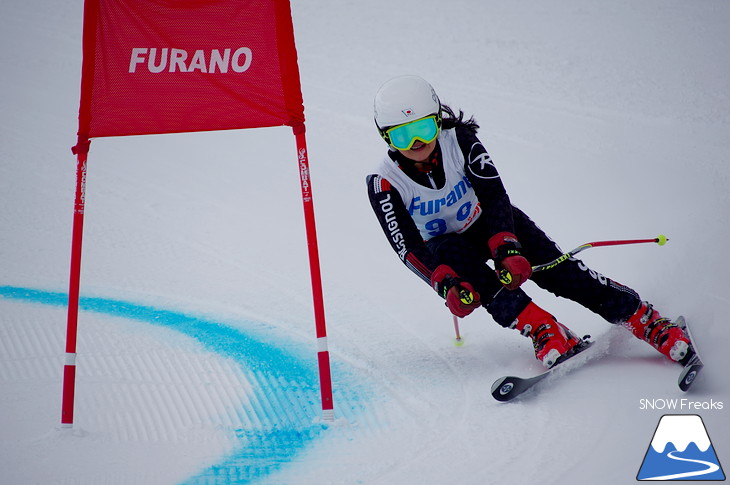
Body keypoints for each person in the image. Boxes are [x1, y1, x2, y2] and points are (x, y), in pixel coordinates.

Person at [366, 74, 694, 369]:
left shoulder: (460, 141)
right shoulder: (384, 182)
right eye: (402, 136)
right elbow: (408, 248)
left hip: (492, 222)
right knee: (474, 276)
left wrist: (506, 246)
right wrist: (445, 283)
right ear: (386, 138)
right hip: (447, 247)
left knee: (560, 273)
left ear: (438, 121)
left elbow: (494, 196)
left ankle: (643, 318)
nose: (416, 143)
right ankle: (544, 328)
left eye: (423, 129)